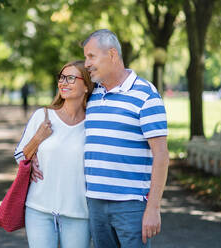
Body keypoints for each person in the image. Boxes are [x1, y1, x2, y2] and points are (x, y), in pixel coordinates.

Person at [31, 29, 170, 248]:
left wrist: (153, 208)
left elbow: (161, 155)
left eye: (91, 56)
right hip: (94, 204)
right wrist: (36, 154)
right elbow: (66, 128)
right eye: (86, 57)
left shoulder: (146, 95)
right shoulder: (93, 96)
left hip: (131, 205)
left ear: (112, 54)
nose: (86, 64)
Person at [14, 60, 94, 248]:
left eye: (71, 78)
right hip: (39, 209)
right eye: (62, 77)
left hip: (79, 213)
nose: (63, 82)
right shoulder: (43, 116)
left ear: (86, 86)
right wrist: (37, 139)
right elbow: (20, 156)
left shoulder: (94, 123)